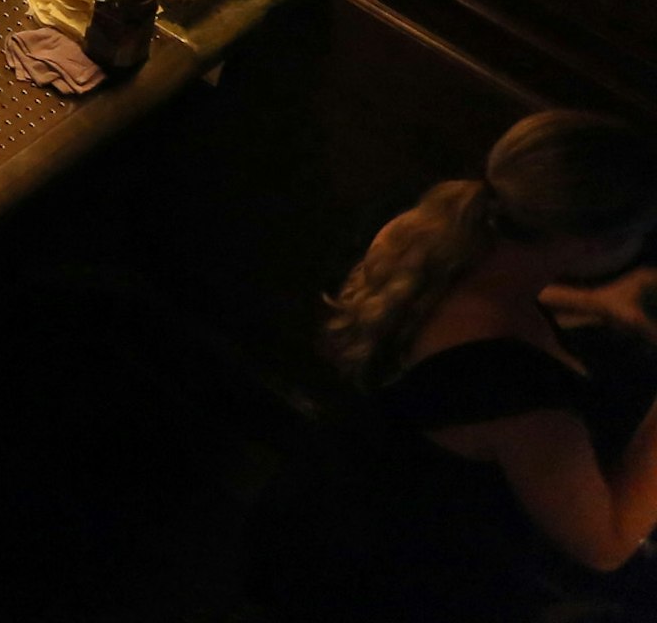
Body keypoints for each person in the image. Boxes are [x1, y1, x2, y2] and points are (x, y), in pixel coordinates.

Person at [279, 110, 657, 619]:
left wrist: (595, 304)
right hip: (395, 583)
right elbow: (605, 546)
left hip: (319, 507)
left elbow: (479, 294)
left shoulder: (412, 236)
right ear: (590, 246)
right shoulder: (523, 400)